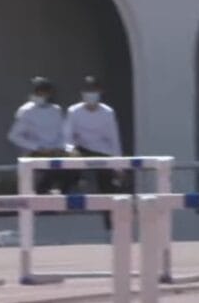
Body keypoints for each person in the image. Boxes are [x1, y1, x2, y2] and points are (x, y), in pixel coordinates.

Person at [64, 76, 124, 229]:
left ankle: (110, 224)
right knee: (66, 171)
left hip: (103, 153)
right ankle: (64, 207)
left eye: (93, 90)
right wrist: (71, 151)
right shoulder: (74, 111)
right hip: (81, 150)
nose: (90, 94)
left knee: (108, 186)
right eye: (87, 90)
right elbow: (67, 137)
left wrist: (119, 165)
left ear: (100, 92)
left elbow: (114, 139)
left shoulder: (108, 112)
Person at [7, 76, 71, 194]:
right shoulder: (26, 111)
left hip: (56, 151)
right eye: (36, 92)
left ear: (49, 93)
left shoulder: (56, 110)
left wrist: (61, 147)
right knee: (44, 175)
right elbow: (14, 136)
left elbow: (64, 133)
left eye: (42, 92)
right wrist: (37, 147)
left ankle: (58, 196)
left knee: (73, 167)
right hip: (35, 152)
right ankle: (42, 195)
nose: (39, 95)